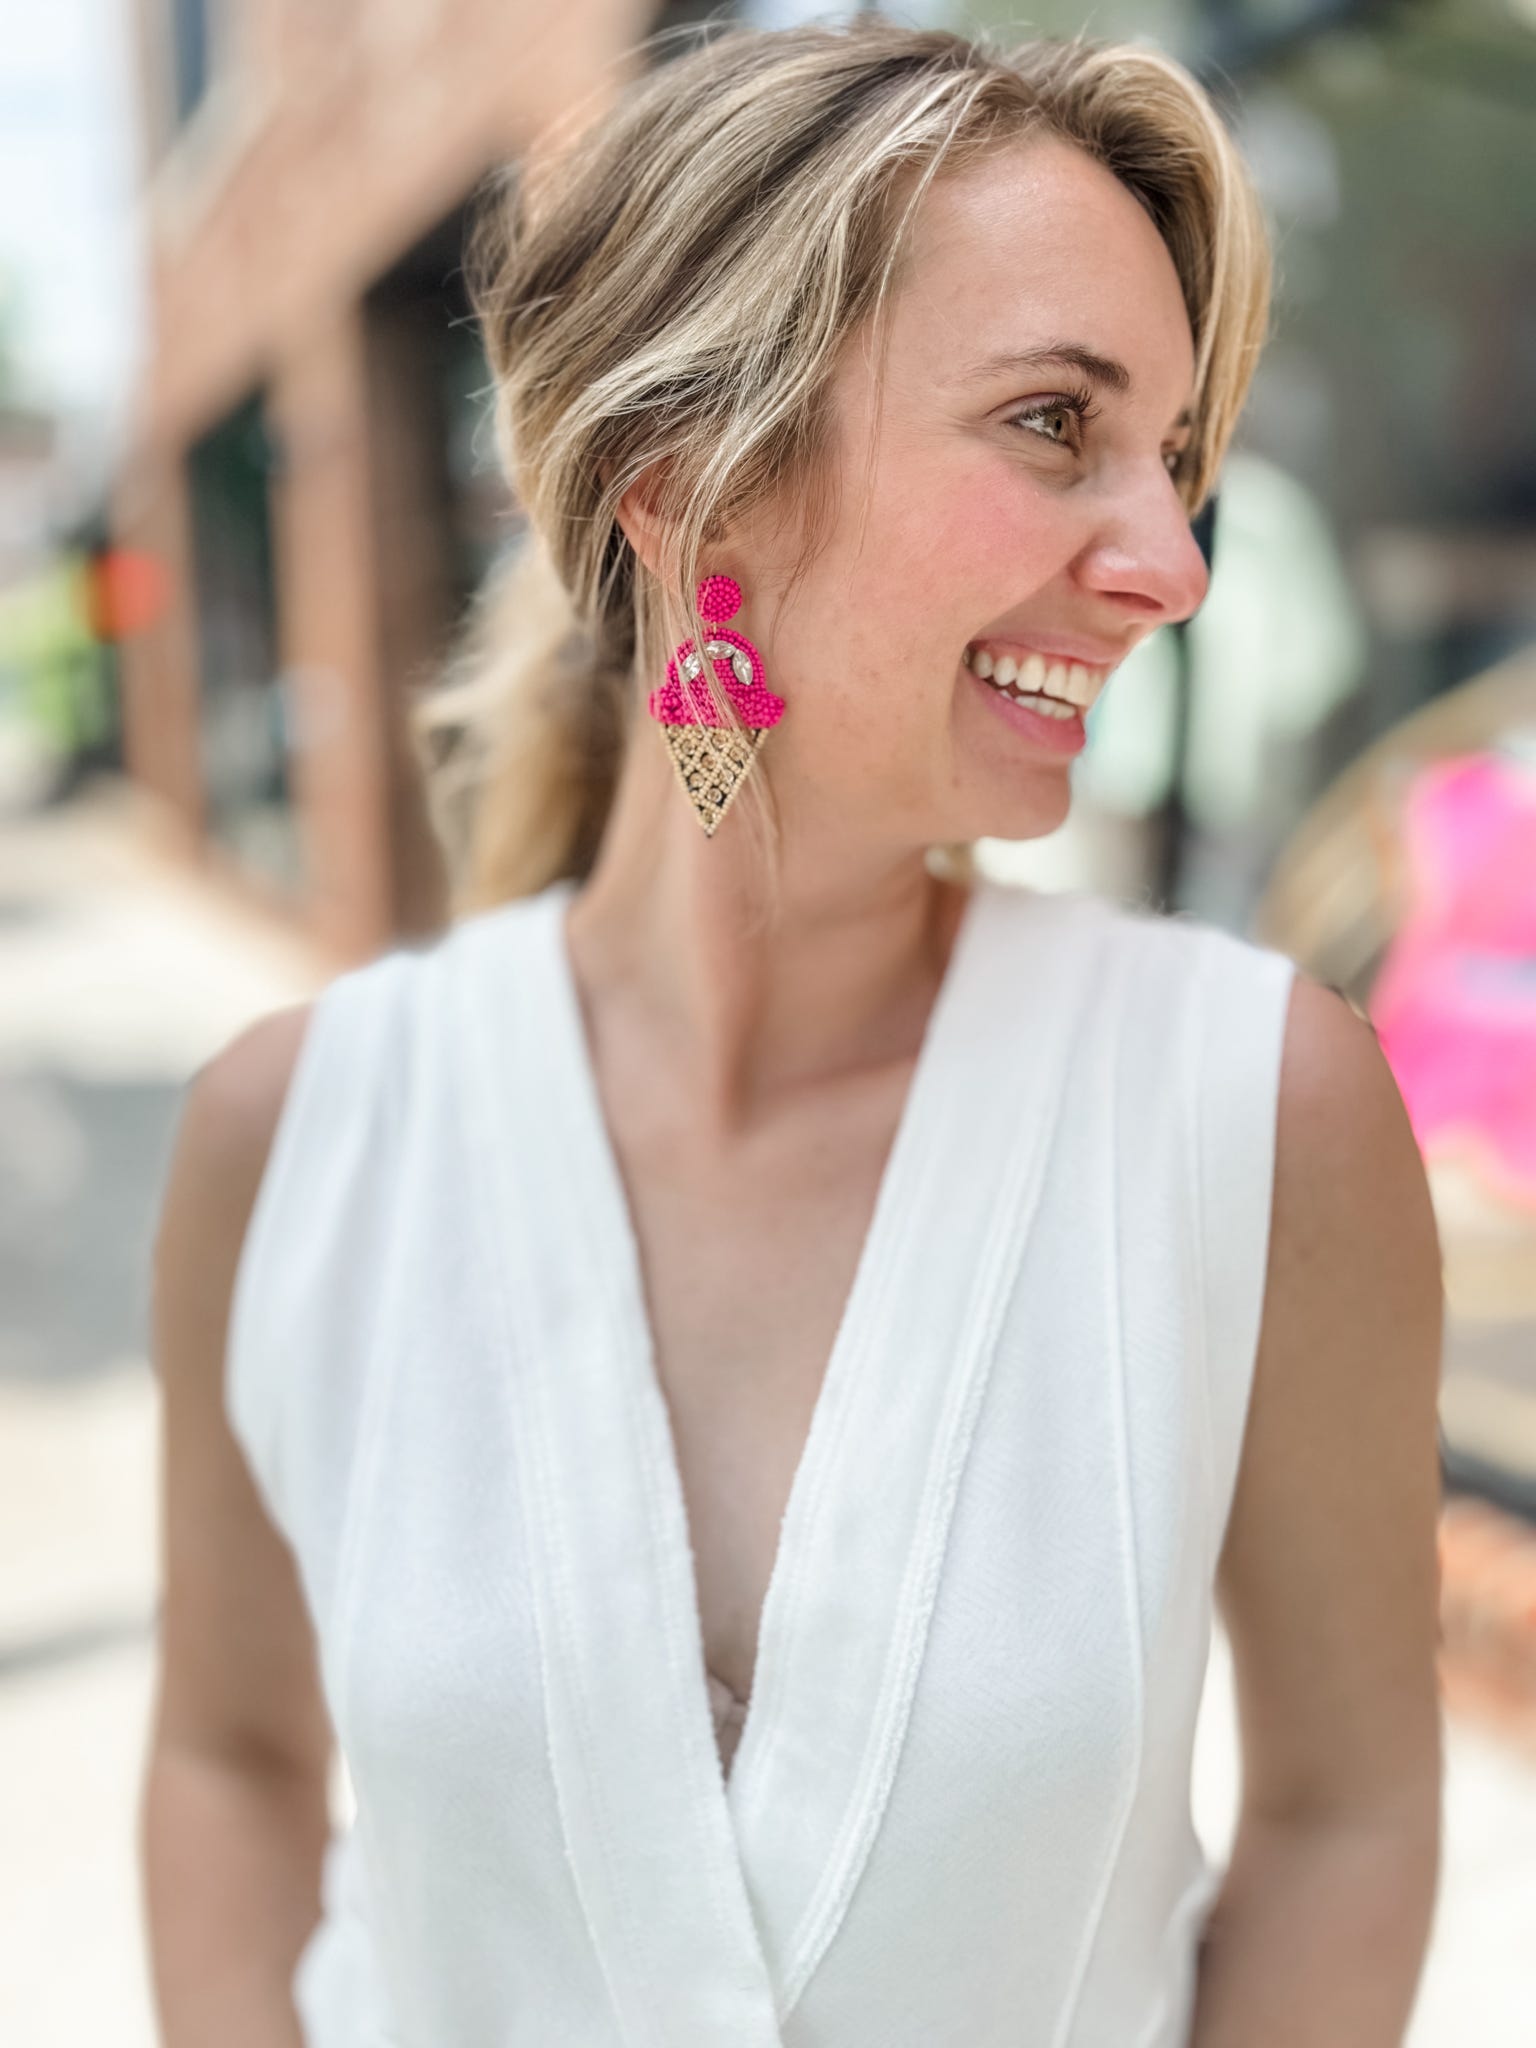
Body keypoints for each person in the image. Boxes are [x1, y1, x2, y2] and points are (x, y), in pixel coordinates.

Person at [141, 19, 1445, 2047]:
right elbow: (228, 1753)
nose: (1171, 565)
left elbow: (1349, 1808)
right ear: (696, 492)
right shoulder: (300, 1140)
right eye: (1050, 425)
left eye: (1174, 460)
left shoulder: (1253, 1112)